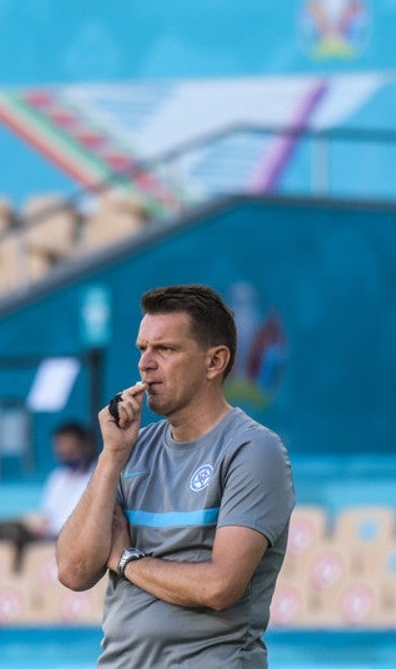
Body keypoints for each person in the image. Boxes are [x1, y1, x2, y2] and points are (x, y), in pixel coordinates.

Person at [56, 284, 295, 667]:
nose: (145, 363)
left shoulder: (252, 450)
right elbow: (73, 571)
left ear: (214, 362)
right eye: (142, 349)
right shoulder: (128, 450)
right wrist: (110, 457)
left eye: (165, 349)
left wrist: (125, 560)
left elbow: (220, 587)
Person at [25, 420, 97, 540]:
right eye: (61, 448)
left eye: (70, 448)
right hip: (50, 542)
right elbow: (46, 515)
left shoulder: (99, 476)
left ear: (85, 445)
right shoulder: (57, 477)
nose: (65, 452)